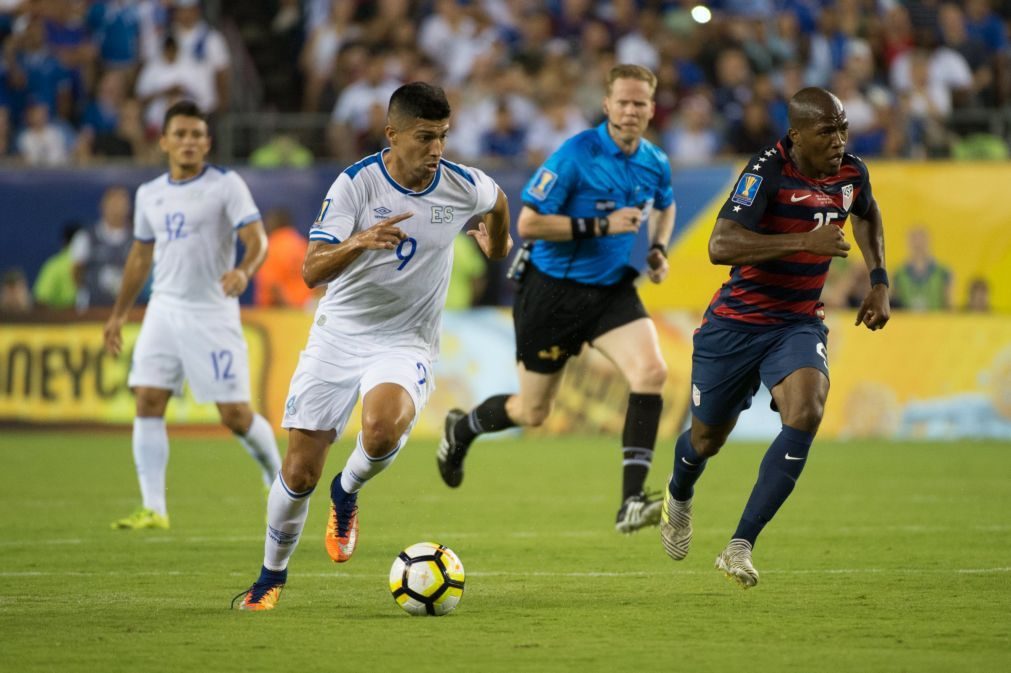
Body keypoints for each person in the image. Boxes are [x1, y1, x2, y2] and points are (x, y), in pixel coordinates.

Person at [231, 82, 511, 611]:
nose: (436, 150)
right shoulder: (355, 185)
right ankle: (270, 579)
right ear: (392, 134)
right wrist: (358, 241)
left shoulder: (460, 186)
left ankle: (348, 490)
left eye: (443, 137)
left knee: (382, 429)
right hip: (339, 334)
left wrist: (496, 243)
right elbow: (312, 269)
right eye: (425, 137)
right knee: (298, 472)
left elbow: (497, 202)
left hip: (406, 340)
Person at [659, 87, 890, 589]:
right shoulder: (766, 171)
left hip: (798, 321)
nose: (839, 139)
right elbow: (720, 245)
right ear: (796, 134)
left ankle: (740, 545)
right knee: (706, 439)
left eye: (843, 127)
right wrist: (805, 241)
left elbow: (868, 213)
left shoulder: (852, 172)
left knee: (807, 410)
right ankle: (678, 495)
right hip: (736, 323)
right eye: (827, 130)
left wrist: (879, 282)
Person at [436, 64, 677, 534]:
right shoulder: (575, 154)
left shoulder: (655, 161)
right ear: (606, 105)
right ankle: (461, 428)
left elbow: (665, 204)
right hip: (551, 293)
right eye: (623, 102)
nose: (631, 111)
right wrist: (601, 226)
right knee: (533, 412)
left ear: (651, 108)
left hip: (609, 290)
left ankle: (631, 502)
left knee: (652, 372)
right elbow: (527, 224)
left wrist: (658, 248)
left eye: (640, 103)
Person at [102, 100, 282, 531]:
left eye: (197, 135)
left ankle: (276, 477)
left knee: (235, 415)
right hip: (164, 308)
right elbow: (140, 256)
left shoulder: (226, 185)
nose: (189, 142)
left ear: (207, 142)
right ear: (163, 141)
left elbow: (257, 239)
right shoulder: (150, 194)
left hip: (212, 312)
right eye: (180, 134)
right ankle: (154, 508)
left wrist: (243, 270)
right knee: (147, 399)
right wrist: (119, 314)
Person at [71, 186, 134, 309]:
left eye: (121, 204)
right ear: (103, 206)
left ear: (128, 207)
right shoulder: (86, 237)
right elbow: (76, 271)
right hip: (93, 307)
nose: (117, 209)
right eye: (113, 204)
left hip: (127, 309)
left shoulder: (137, 240)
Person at [253, 207, 313, 308]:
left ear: (275, 223)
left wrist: (289, 310)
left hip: (277, 314)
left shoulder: (270, 246)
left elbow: (272, 287)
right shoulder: (303, 244)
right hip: (305, 313)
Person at [892, 226, 952, 311]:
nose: (918, 245)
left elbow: (949, 305)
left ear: (929, 242)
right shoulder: (897, 274)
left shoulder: (943, 273)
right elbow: (893, 306)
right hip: (906, 323)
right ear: (909, 244)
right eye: (914, 241)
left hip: (936, 322)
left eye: (922, 241)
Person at [32, 222, 81, 310]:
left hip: (60, 321)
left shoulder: (54, 265)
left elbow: (40, 300)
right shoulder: (94, 264)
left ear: (64, 242)